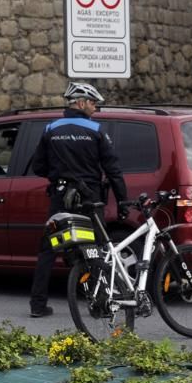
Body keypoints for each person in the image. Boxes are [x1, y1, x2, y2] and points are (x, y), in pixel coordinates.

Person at [28, 82, 128, 318]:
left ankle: (38, 305)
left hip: (61, 197)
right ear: (81, 103)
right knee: (96, 249)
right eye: (93, 103)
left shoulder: (51, 128)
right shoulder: (96, 130)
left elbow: (38, 166)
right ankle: (100, 302)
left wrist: (59, 174)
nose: (95, 108)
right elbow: (113, 170)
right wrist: (122, 201)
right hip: (89, 198)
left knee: (48, 250)